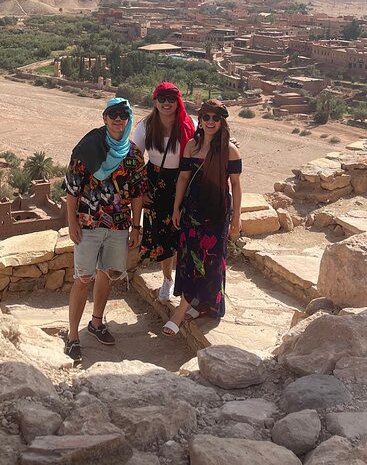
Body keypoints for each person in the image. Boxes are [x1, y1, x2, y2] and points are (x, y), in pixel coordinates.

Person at [62, 97, 146, 361]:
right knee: (82, 278)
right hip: (89, 223)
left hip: (119, 225)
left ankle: (96, 323)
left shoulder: (132, 154)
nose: (118, 119)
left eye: (123, 115)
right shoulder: (87, 148)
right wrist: (72, 222)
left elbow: (137, 193)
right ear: (104, 117)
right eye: (113, 114)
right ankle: (73, 336)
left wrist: (135, 226)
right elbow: (72, 189)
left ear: (128, 119)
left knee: (107, 274)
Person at [162, 99, 242, 336]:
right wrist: (176, 208)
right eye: (206, 117)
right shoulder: (191, 146)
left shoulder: (230, 151)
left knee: (212, 259)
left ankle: (195, 307)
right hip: (193, 210)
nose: (210, 122)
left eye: (215, 118)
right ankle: (188, 305)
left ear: (221, 121)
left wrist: (237, 217)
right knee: (188, 257)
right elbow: (183, 179)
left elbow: (236, 185)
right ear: (200, 119)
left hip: (217, 211)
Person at [131, 82, 195, 301]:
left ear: (178, 102)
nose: (166, 103)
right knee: (162, 235)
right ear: (155, 101)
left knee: (185, 232)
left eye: (171, 99)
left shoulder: (189, 124)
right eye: (162, 99)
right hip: (156, 184)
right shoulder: (146, 126)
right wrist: (141, 189)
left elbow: (205, 146)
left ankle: (186, 280)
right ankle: (168, 279)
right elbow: (135, 159)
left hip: (184, 182)